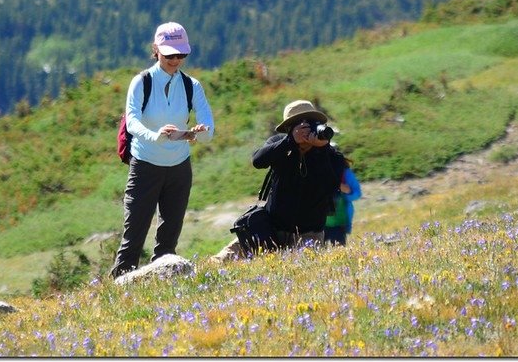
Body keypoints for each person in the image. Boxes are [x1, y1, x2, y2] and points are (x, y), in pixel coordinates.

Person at [110, 22, 214, 278]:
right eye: (169, 54)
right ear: (156, 50)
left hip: (179, 168)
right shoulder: (141, 82)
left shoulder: (192, 85)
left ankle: (162, 289)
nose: (175, 60)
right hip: (145, 165)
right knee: (133, 238)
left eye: (181, 55)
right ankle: (118, 288)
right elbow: (132, 121)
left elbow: (209, 127)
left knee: (168, 241)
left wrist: (200, 132)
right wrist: (154, 136)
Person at [213, 99, 361, 261]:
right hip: (270, 227)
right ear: (290, 128)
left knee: (299, 272)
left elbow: (333, 185)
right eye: (300, 125)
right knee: (222, 260)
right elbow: (258, 160)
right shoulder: (279, 144)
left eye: (311, 123)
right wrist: (290, 141)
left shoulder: (329, 154)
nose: (307, 129)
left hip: (308, 234)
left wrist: (321, 149)